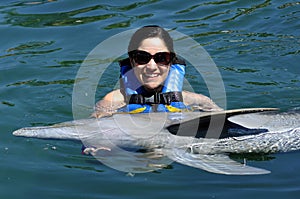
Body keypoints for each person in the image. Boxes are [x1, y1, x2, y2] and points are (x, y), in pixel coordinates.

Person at [91, 25, 222, 118]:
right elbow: (92, 129)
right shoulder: (112, 102)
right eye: (142, 58)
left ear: (171, 62)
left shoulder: (196, 101)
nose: (152, 66)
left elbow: (223, 120)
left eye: (161, 58)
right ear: (131, 61)